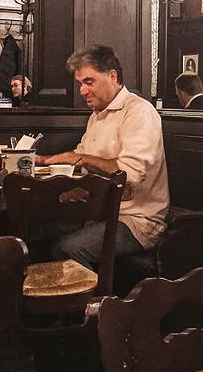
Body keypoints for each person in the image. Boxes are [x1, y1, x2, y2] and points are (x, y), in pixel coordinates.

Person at [37, 45, 169, 268]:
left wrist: (81, 159)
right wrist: (44, 161)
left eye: (89, 82)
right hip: (98, 211)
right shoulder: (97, 115)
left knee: (67, 248)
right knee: (37, 230)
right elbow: (80, 155)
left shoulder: (139, 111)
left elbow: (130, 173)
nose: (82, 91)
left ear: (112, 76)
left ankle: (98, 292)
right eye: (80, 83)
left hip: (135, 220)